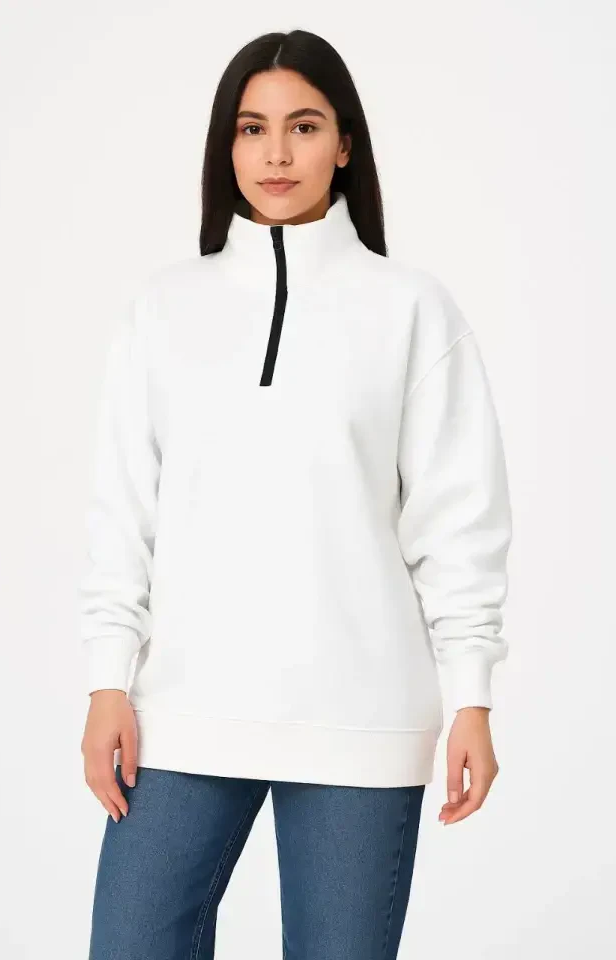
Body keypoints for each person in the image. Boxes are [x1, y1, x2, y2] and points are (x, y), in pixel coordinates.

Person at [79, 28, 512, 960]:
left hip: (362, 719)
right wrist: (108, 678)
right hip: (184, 712)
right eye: (252, 128)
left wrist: (471, 695)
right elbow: (123, 513)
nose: (275, 154)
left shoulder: (410, 308)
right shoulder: (164, 309)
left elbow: (457, 520)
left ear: (344, 143)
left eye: (303, 126)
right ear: (226, 145)